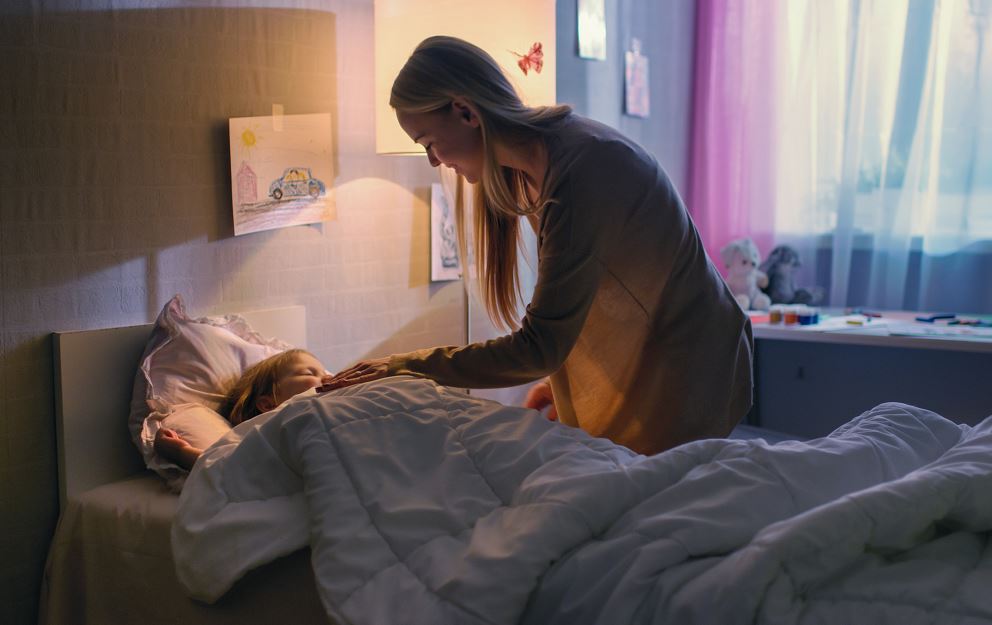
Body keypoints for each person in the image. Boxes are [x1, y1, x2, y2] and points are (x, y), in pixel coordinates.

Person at [320, 36, 753, 455]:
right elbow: (579, 303)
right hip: (667, 358)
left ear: (465, 111)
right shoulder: (537, 166)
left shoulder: (581, 170)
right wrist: (569, 380)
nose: (434, 161)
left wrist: (404, 366)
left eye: (429, 142)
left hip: (688, 366)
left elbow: (540, 345)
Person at [154, 349, 326, 470]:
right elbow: (235, 468)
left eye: (325, 372)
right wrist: (181, 452)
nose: (328, 377)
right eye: (310, 373)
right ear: (268, 404)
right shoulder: (267, 433)